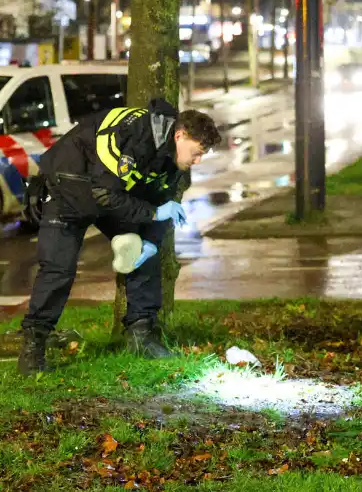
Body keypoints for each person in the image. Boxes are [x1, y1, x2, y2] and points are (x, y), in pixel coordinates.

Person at [18, 99, 222, 375]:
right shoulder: (135, 138)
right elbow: (106, 193)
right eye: (196, 153)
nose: (197, 161)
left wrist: (151, 241)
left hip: (112, 195)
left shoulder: (173, 158)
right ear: (180, 135)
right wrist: (153, 214)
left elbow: (159, 199)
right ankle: (33, 347)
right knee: (58, 268)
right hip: (68, 189)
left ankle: (141, 336)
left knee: (143, 254)